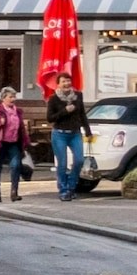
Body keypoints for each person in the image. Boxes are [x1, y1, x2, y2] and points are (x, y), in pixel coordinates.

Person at [44, 72, 89, 200]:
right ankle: (63, 190)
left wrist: (88, 130)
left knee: (79, 160)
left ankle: (71, 185)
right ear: (58, 84)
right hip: (59, 134)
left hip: (75, 133)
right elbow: (50, 118)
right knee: (62, 163)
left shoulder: (78, 96)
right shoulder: (53, 99)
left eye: (68, 81)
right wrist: (65, 111)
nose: (67, 84)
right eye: (63, 81)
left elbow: (82, 114)